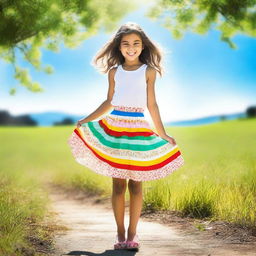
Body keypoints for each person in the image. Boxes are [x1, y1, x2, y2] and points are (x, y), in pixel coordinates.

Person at [67, 21, 185, 251]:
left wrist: (162, 133)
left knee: (137, 186)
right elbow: (109, 101)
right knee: (118, 186)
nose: (131, 48)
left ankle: (133, 234)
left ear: (143, 46)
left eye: (136, 44)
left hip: (138, 129)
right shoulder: (114, 72)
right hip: (115, 129)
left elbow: (152, 104)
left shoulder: (149, 71)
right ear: (119, 47)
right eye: (126, 44)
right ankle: (120, 234)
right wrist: (87, 119)